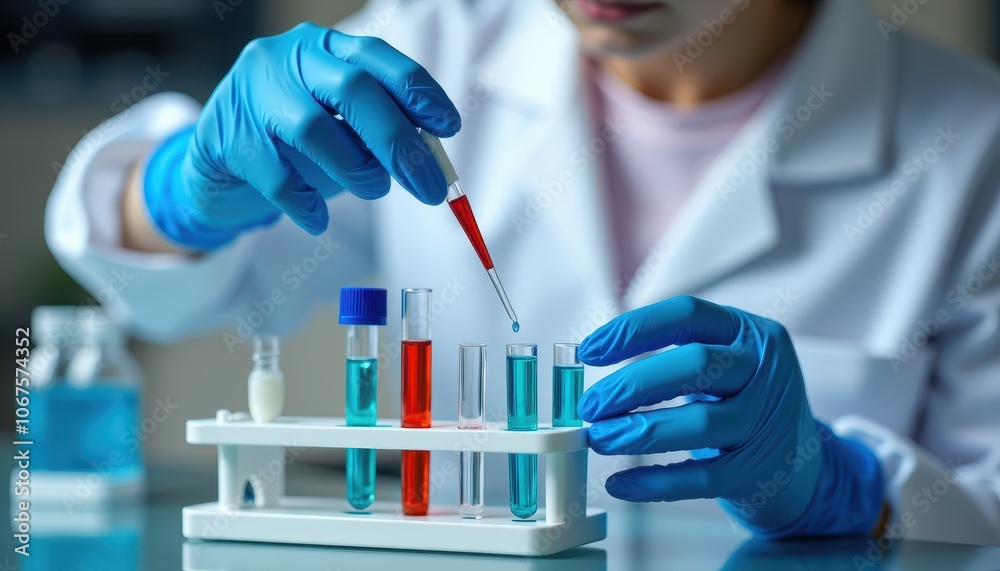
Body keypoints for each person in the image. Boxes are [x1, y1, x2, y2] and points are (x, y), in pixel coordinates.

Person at [45, 0, 1000, 545]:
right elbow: (179, 288)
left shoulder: (972, 143)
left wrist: (849, 486)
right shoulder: (434, 44)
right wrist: (185, 187)